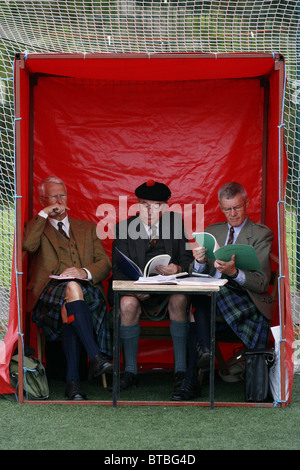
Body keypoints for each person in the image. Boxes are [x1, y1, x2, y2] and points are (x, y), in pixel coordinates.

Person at [172, 181, 274, 401]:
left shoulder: (260, 234)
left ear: (246, 202)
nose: (233, 213)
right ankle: (204, 355)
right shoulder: (212, 231)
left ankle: (192, 379)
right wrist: (199, 262)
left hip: (243, 300)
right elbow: (196, 273)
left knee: (203, 300)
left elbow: (262, 283)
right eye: (227, 209)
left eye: (237, 207)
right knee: (202, 294)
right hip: (212, 300)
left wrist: (235, 271)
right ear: (220, 207)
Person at [23, 176, 113, 400]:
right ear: (43, 200)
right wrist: (43, 215)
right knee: (71, 293)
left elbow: (104, 263)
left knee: (70, 308)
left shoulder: (88, 228)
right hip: (48, 294)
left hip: (86, 292)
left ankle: (73, 384)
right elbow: (27, 245)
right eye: (53, 196)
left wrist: (84, 272)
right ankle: (96, 357)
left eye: (62, 195)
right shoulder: (36, 227)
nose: (59, 201)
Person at [112, 180, 193, 395]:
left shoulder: (176, 225)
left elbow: (188, 261)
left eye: (156, 205)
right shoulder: (123, 228)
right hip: (137, 291)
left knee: (180, 299)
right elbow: (118, 270)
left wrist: (176, 267)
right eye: (144, 204)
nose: (149, 210)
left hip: (170, 291)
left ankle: (181, 371)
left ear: (165, 207)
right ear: (137, 204)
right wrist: (134, 289)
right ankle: (130, 372)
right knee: (127, 304)